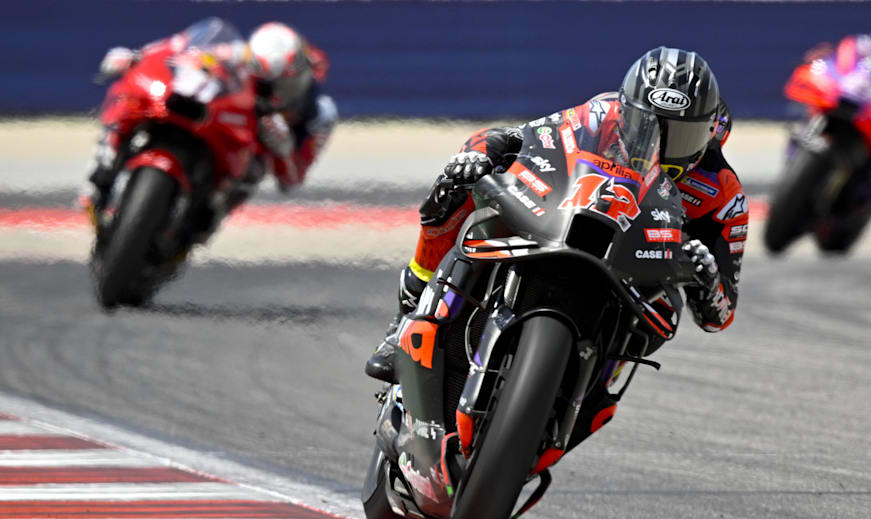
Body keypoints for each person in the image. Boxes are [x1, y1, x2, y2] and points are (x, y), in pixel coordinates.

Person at [365, 47, 749, 383]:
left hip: (636, 278)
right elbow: (521, 137)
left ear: (711, 133)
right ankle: (410, 311)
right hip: (565, 224)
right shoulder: (601, 115)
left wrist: (707, 278)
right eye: (649, 128)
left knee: (666, 311)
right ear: (627, 111)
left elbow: (720, 315)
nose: (663, 147)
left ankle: (590, 388)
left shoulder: (722, 191)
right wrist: (484, 154)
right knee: (460, 179)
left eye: (682, 137)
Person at [79, 20, 337, 227]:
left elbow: (292, 181)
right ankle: (105, 157)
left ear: (300, 74)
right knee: (145, 98)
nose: (274, 92)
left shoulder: (318, 114)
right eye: (265, 82)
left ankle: (201, 222)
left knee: (248, 177)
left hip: (243, 159)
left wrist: (284, 148)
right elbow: (179, 48)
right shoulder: (239, 55)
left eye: (281, 83)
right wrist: (137, 56)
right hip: (221, 123)